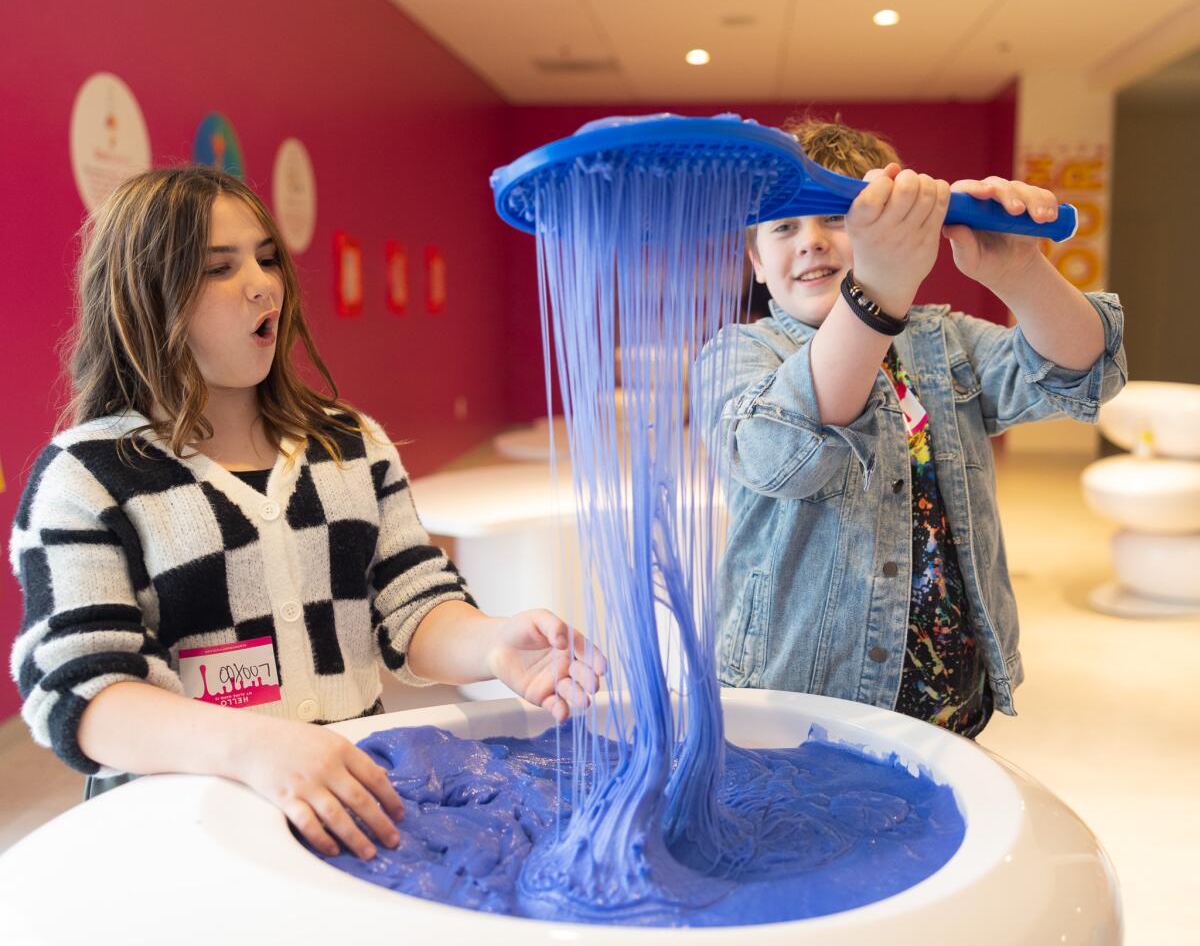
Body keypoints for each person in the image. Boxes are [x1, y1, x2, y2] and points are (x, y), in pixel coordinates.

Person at [9, 165, 604, 861]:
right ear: (145, 296)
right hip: (180, 838)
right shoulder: (88, 477)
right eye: (219, 268)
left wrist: (491, 643)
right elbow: (81, 694)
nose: (264, 284)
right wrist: (256, 747)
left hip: (348, 817)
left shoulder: (348, 444)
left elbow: (414, 603)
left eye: (267, 258)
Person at [697, 119, 1126, 738]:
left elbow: (1081, 372)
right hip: (797, 696)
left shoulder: (944, 341)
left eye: (838, 218)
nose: (811, 241)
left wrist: (1019, 273)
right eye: (784, 227)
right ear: (756, 262)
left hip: (949, 697)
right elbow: (776, 452)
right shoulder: (738, 353)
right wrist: (876, 291)